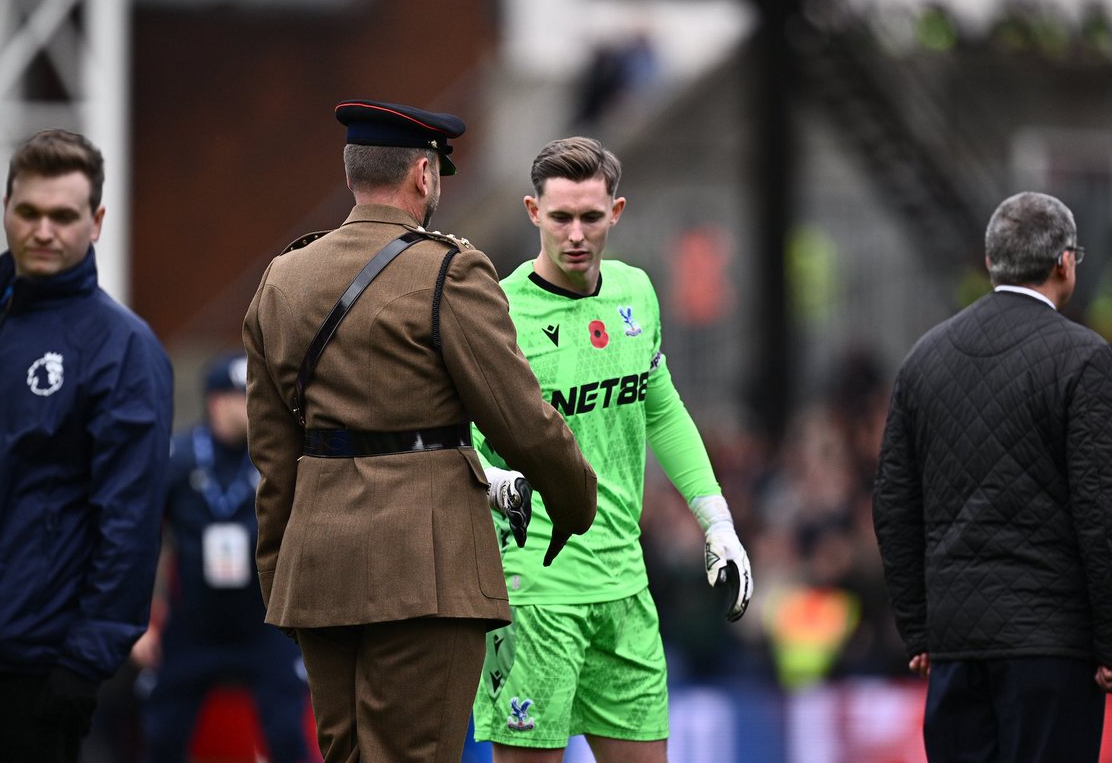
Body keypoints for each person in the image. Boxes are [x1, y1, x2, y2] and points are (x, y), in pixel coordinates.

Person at [243, 100, 598, 763]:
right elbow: (521, 420)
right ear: (423, 176)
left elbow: (272, 458)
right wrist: (575, 502)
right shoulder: (447, 271)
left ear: (354, 176)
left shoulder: (282, 281)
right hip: (425, 569)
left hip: (316, 570)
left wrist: (280, 576)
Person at [471, 136, 754, 762]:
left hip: (626, 589)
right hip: (534, 598)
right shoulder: (496, 312)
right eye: (561, 216)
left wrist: (718, 521)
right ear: (531, 211)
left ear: (616, 213)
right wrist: (494, 483)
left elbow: (663, 409)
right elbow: (461, 441)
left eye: (591, 217)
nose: (576, 233)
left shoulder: (637, 292)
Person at [872, 191, 1112, 762]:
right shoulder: (1084, 359)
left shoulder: (924, 358)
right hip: (1052, 653)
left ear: (991, 261)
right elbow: (1107, 511)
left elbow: (894, 504)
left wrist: (920, 630)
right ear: (1064, 262)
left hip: (956, 647)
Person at [0, 129, 174, 762]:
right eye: (29, 212)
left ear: (95, 223)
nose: (43, 229)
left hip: (35, 671)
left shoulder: (122, 350)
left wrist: (85, 664)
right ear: (7, 208)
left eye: (63, 216)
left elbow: (129, 523)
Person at [131, 351, 310, 762]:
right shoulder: (178, 459)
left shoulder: (276, 458)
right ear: (216, 403)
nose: (253, 403)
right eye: (241, 395)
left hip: (264, 624)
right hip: (193, 626)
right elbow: (142, 539)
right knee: (161, 737)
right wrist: (141, 616)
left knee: (287, 736)